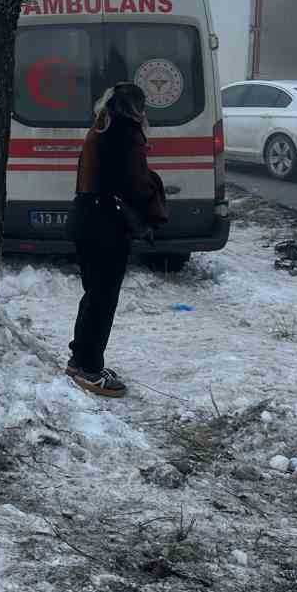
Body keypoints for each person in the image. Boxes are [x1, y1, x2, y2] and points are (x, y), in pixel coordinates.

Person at [64, 82, 169, 398]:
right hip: (106, 226)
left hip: (85, 218)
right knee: (103, 298)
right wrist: (154, 200)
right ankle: (89, 366)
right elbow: (136, 183)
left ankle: (80, 358)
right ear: (137, 109)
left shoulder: (100, 127)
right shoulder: (127, 133)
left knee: (93, 294)